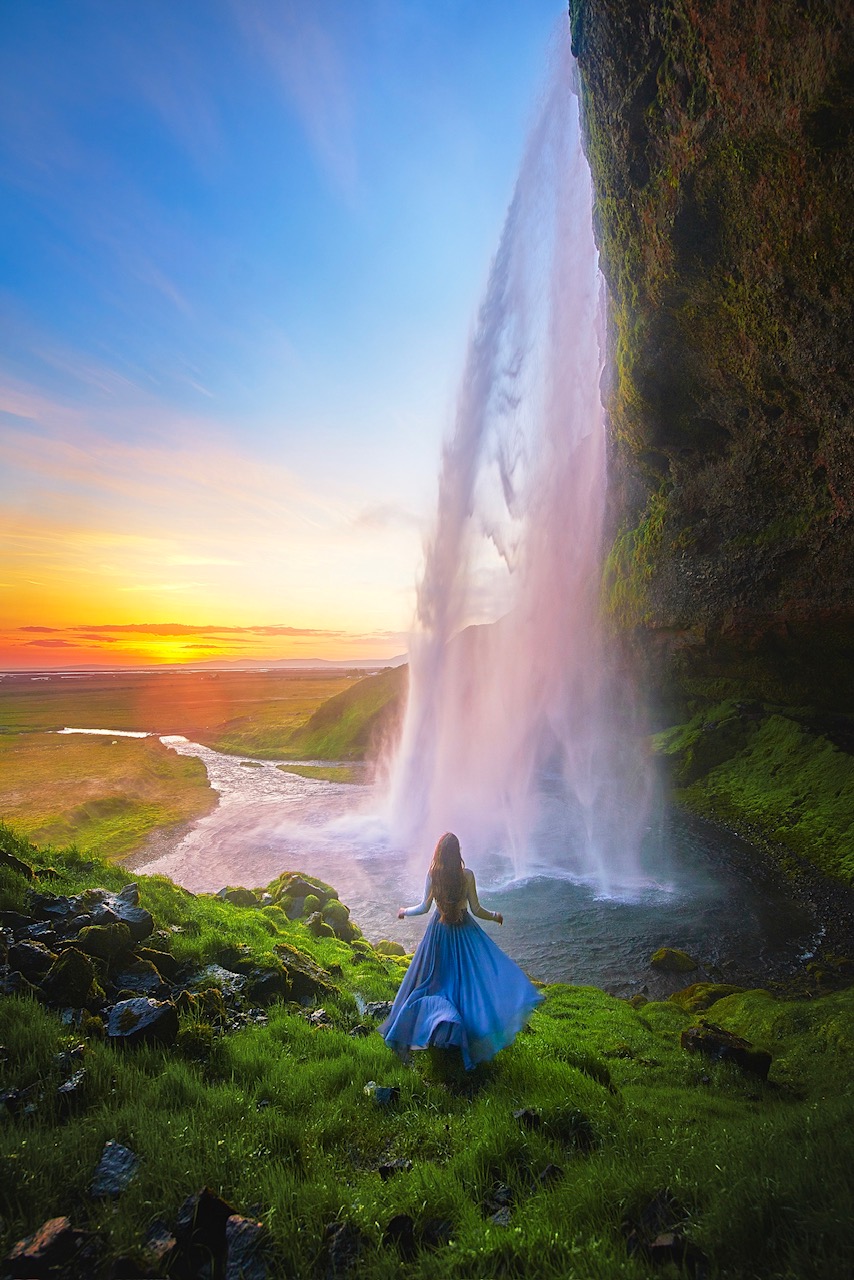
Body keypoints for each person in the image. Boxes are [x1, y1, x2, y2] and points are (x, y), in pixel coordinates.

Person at [380, 832, 543, 1070]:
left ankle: (438, 1025)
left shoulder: (433, 875)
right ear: (458, 853)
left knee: (433, 982)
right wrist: (495, 916)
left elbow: (424, 907)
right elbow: (476, 909)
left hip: (438, 933)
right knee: (468, 983)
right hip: (464, 931)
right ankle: (462, 1030)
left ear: (438, 852)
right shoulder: (467, 876)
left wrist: (405, 911)